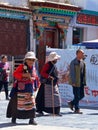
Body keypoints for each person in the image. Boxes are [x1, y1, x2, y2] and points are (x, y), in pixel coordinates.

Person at [6, 51, 40, 125]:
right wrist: (24, 75)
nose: (31, 61)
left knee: (31, 103)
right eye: (30, 59)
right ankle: (14, 117)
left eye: (33, 60)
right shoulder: (22, 67)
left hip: (29, 88)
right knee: (17, 103)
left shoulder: (33, 68)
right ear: (26, 60)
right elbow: (15, 74)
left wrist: (37, 85)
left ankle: (31, 119)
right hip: (20, 89)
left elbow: (36, 77)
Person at [36, 51, 62, 116]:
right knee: (43, 98)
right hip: (47, 84)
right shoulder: (47, 65)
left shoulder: (54, 65)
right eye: (55, 59)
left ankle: (56, 111)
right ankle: (40, 109)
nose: (56, 60)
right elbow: (43, 73)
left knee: (56, 98)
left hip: (53, 84)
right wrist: (49, 76)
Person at [68, 49, 86, 114]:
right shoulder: (73, 62)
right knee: (76, 95)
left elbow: (83, 73)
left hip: (81, 82)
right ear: (78, 54)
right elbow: (72, 73)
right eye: (82, 53)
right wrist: (73, 82)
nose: (83, 55)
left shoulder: (83, 62)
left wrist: (84, 81)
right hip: (75, 82)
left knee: (82, 95)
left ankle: (71, 103)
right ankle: (77, 109)